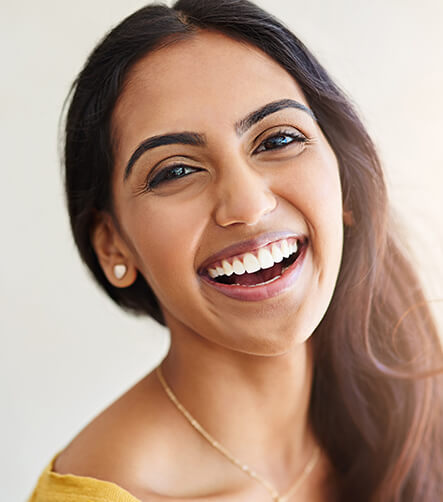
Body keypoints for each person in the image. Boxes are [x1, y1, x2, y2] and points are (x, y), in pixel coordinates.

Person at [28, 1, 443, 501]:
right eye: (176, 171)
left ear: (346, 186)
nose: (248, 205)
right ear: (112, 244)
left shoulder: (416, 413)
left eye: (278, 139)